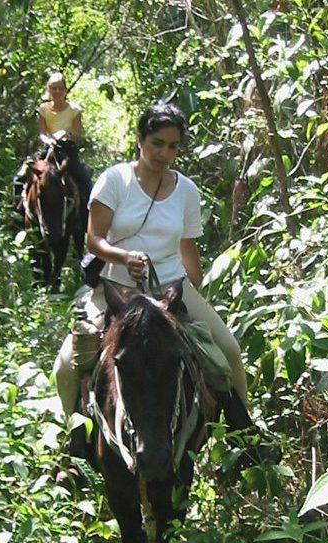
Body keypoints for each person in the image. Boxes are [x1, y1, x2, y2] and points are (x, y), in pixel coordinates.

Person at [53, 102, 256, 448]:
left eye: (173, 146)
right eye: (157, 143)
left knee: (229, 352)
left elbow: (187, 246)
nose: (165, 153)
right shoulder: (114, 181)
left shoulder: (187, 191)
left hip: (170, 287)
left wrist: (194, 286)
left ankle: (246, 438)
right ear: (140, 141)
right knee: (66, 366)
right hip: (116, 289)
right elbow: (94, 239)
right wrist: (123, 256)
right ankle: (71, 443)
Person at [14, 72, 92, 227]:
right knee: (20, 177)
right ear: (49, 90)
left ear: (66, 90)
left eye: (60, 88)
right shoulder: (43, 109)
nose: (57, 92)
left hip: (68, 151)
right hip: (49, 150)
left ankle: (86, 221)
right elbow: (42, 133)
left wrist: (66, 134)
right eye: (54, 88)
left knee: (85, 181)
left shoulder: (74, 110)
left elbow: (77, 135)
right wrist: (49, 140)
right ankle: (17, 216)